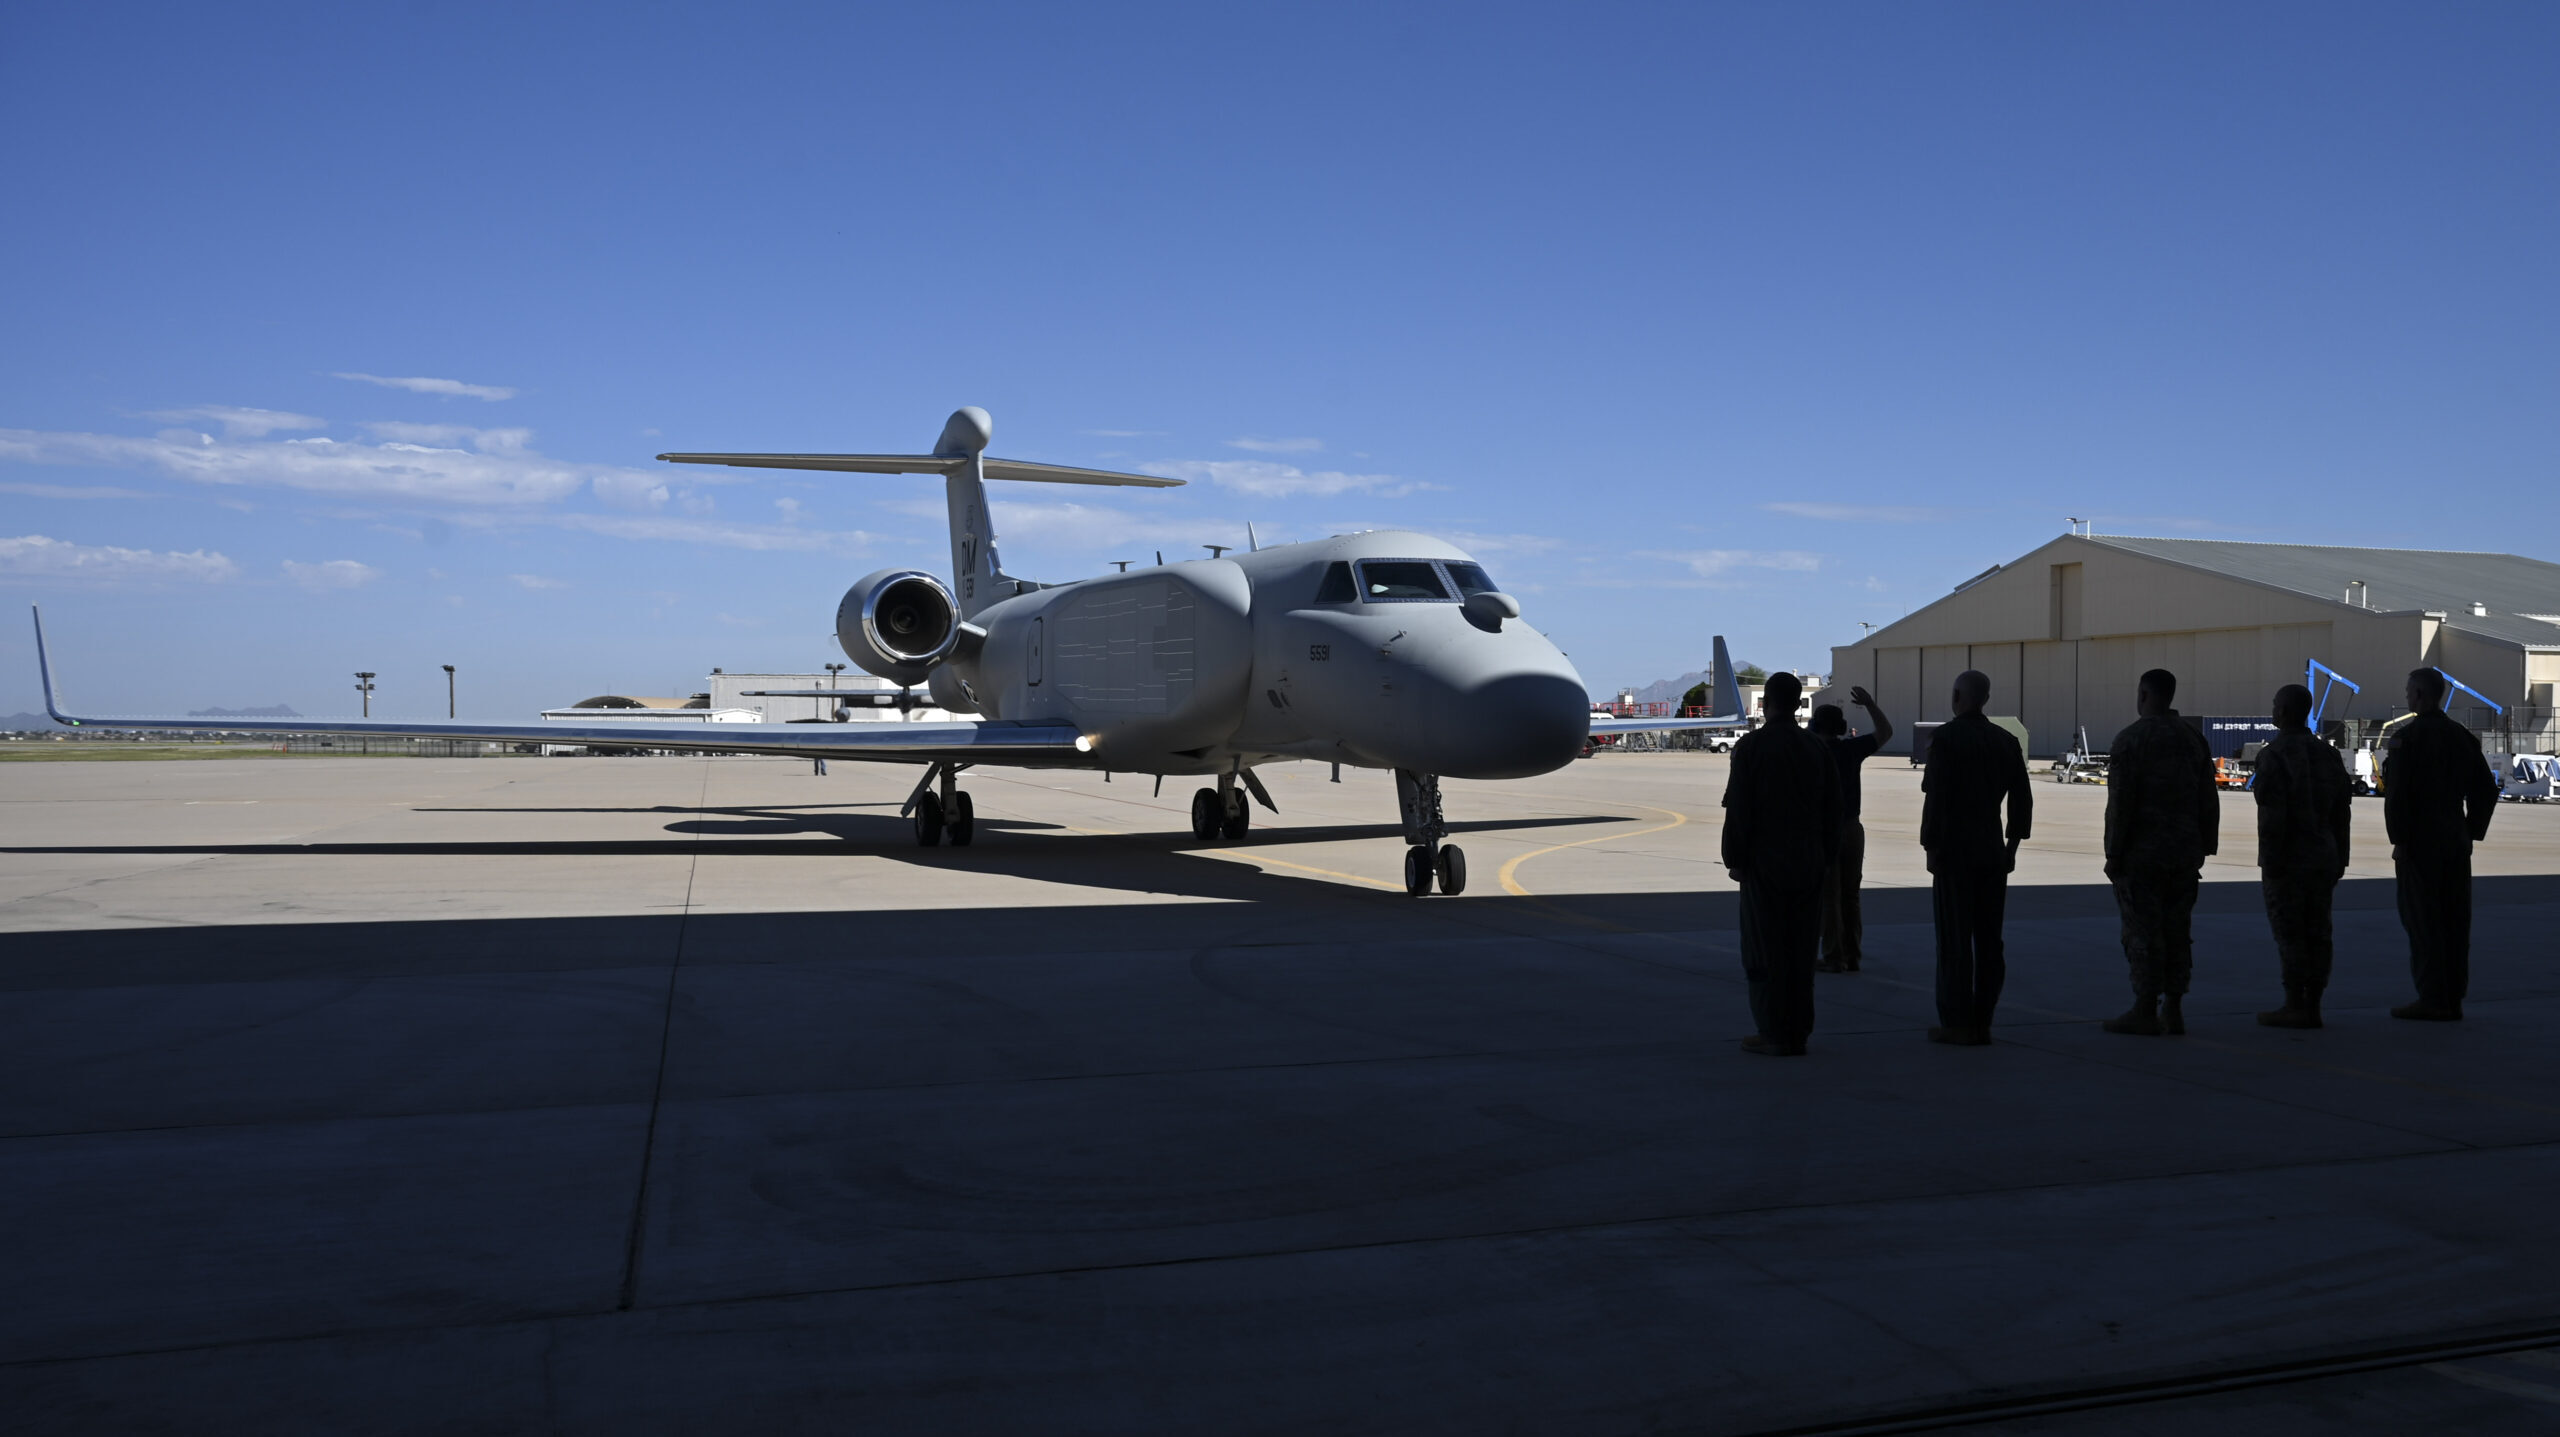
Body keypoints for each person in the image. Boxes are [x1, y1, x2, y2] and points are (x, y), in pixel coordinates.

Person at [1719, 671, 1844, 1056]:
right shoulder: (1817, 748)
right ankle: (1798, 1032)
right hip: (1808, 860)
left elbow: (1739, 810)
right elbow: (1833, 810)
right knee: (1801, 949)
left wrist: (1735, 859)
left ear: (1764, 702)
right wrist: (1826, 856)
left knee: (1764, 948)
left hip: (1765, 863)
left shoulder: (1752, 748)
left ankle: (1772, 1031)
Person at [2101, 669, 2219, 1036]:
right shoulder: (2193, 739)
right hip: (2183, 854)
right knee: (2177, 930)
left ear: (2144, 694)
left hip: (2142, 855)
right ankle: (2175, 1008)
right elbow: (2208, 797)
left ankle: (2145, 1007)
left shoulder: (2131, 739)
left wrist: (2114, 852)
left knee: (2142, 932)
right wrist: (2206, 844)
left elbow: (2120, 803)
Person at [1918, 669, 2032, 1044]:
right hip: (1991, 849)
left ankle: (1956, 1022)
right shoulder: (2006, 740)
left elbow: (1936, 799)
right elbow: (2021, 799)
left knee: (1954, 940)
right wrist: (2012, 848)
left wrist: (1931, 847)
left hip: (1954, 851)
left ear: (1956, 696)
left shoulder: (1945, 739)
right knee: (1989, 940)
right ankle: (1983, 1020)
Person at [2382, 667, 2500, 1020]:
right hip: (2453, 839)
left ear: (2419, 695)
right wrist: (2470, 831)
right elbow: (2485, 790)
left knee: (2423, 920)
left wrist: (2399, 840)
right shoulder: (2460, 736)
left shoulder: (2409, 738)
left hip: (2420, 842)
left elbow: (2398, 796)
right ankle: (2453, 997)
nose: (2406, 696)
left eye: (2408, 691)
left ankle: (2432, 998)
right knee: (2454, 920)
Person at [2251, 683, 2351, 1028]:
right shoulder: (2328, 754)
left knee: (2291, 932)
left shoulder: (2274, 755)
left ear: (2285, 711)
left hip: (2289, 859)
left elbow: (2272, 814)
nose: (2273, 710)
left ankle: (2295, 1003)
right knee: (2319, 932)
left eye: (2276, 705)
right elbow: (2342, 812)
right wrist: (2341, 857)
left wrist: (2271, 859)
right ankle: (2314, 1004)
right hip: (2323, 857)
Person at [1809, 688, 1894, 972]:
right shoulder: (1851, 749)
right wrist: (1870, 703)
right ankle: (1852, 954)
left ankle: (1833, 955)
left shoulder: (1812, 752)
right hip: (1853, 828)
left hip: (1825, 831)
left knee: (1829, 896)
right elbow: (1885, 732)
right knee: (1850, 895)